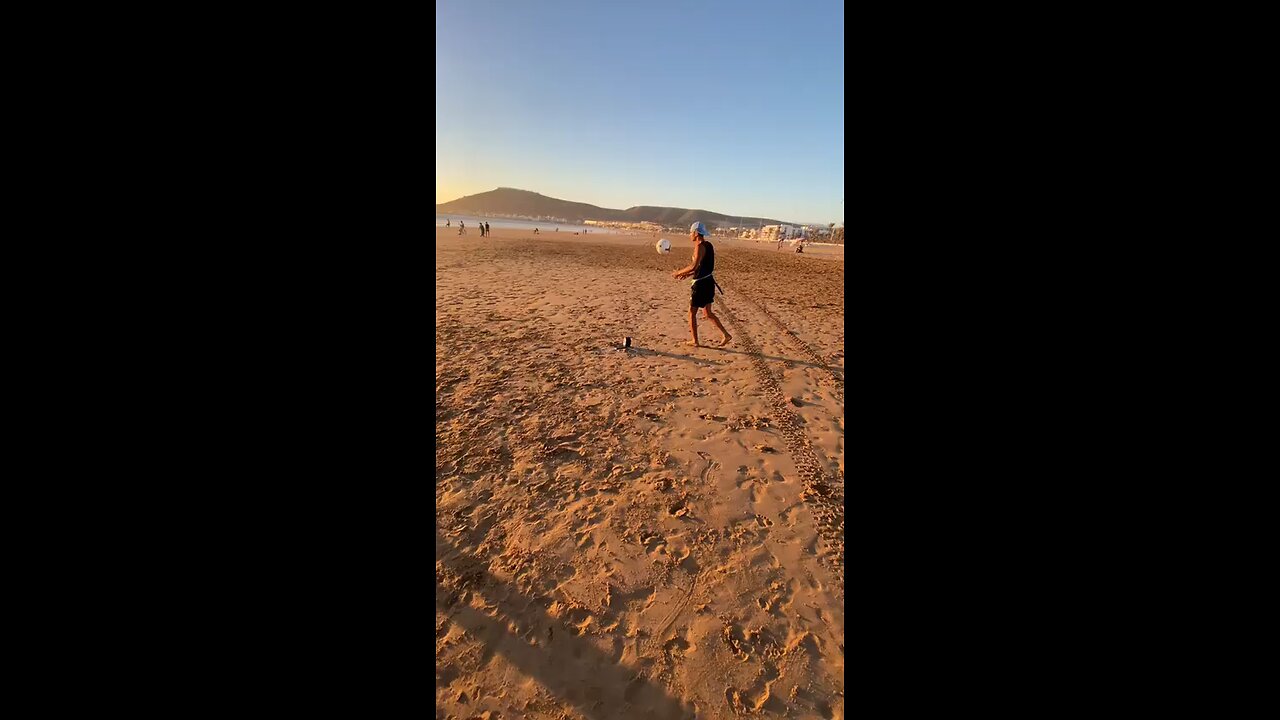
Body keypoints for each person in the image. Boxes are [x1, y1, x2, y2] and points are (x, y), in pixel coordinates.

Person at [672, 221, 731, 347]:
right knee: (707, 313)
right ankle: (726, 335)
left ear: (696, 233)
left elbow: (694, 266)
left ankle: (695, 340)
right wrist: (686, 274)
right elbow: (701, 267)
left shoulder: (700, 246)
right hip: (708, 282)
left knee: (691, 312)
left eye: (691, 232)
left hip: (701, 284)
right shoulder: (708, 245)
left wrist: (678, 272)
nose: (690, 235)